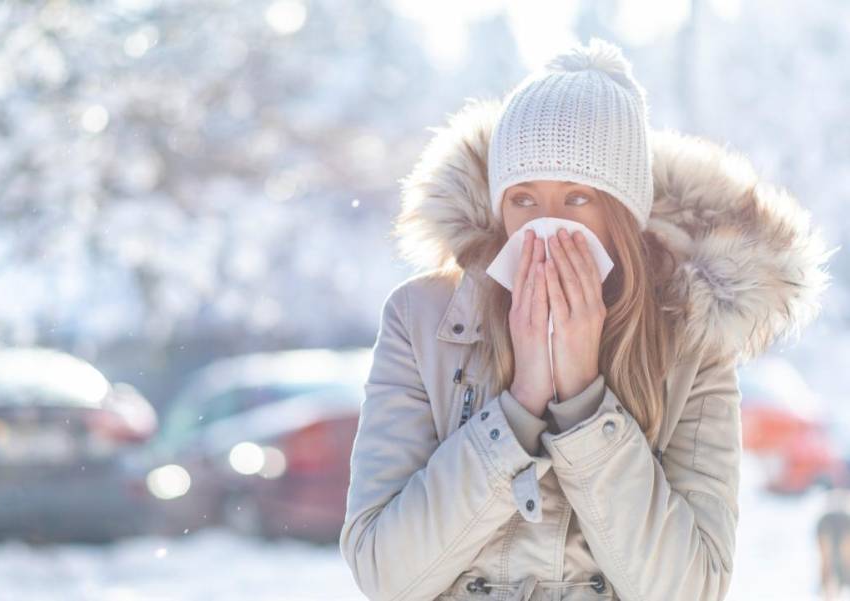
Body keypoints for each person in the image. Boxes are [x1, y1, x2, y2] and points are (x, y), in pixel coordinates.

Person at [339, 37, 835, 601]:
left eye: (577, 198)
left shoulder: (691, 340)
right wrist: (520, 403)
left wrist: (583, 403)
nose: (545, 225)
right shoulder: (424, 318)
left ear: (623, 212)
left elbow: (691, 589)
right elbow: (384, 574)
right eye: (523, 198)